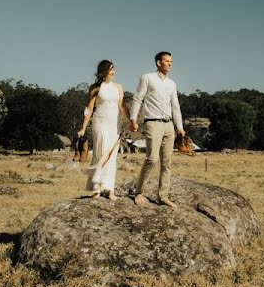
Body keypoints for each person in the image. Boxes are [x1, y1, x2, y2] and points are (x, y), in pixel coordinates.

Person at [130, 51, 185, 208]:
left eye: (171, 61)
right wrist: (133, 119)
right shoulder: (147, 78)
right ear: (158, 63)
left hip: (169, 125)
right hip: (152, 123)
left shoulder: (172, 84)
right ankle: (139, 192)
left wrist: (179, 127)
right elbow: (138, 98)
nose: (170, 64)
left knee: (167, 163)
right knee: (152, 159)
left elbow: (175, 106)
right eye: (167, 61)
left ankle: (163, 196)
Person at [77, 60, 129, 200]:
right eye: (111, 69)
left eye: (114, 69)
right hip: (99, 124)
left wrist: (131, 121)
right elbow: (89, 109)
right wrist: (83, 128)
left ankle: (110, 189)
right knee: (100, 154)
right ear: (104, 72)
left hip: (114, 125)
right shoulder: (95, 88)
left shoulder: (118, 87)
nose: (114, 72)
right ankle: (97, 189)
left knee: (111, 156)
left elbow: (122, 106)